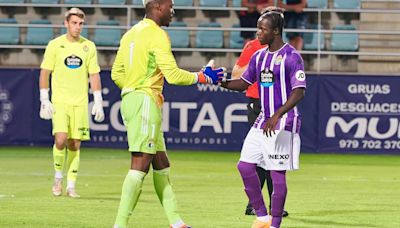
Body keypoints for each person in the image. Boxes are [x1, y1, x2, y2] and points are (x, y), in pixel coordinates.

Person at [110, 0, 225, 227]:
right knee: (140, 163)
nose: (173, 11)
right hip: (144, 102)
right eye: (171, 5)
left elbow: (116, 73)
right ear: (159, 6)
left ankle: (176, 223)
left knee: (161, 163)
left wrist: (133, 87)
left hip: (135, 100)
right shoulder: (157, 34)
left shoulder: (130, 34)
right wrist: (202, 77)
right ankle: (119, 225)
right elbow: (172, 75)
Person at [221, 7, 306, 228]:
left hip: (284, 121)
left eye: (263, 29)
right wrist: (221, 82)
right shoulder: (259, 56)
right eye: (258, 28)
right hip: (263, 119)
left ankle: (275, 224)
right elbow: (244, 83)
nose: (258, 32)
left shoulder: (292, 56)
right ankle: (261, 216)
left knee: (277, 174)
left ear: (276, 31)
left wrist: (278, 114)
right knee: (244, 166)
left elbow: (299, 91)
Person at [39, 7, 105, 198]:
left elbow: (94, 75)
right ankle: (58, 178)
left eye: (81, 23)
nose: (77, 27)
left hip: (80, 102)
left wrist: (98, 101)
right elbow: (45, 72)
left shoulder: (89, 46)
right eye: (74, 23)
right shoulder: (55, 45)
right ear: (66, 23)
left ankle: (71, 185)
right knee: (60, 139)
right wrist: (45, 99)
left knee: (75, 143)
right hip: (60, 101)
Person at [232, 36, 288, 218]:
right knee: (259, 156)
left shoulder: (286, 51)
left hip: (277, 105)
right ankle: (256, 204)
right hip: (257, 103)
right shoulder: (253, 47)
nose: (260, 31)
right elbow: (236, 73)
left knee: (273, 156)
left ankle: (272, 206)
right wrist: (257, 67)